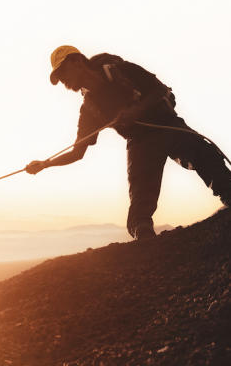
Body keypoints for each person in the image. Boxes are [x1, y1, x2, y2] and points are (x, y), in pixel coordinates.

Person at [26, 45, 231, 240]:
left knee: (207, 156)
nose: (62, 80)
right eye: (59, 77)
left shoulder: (122, 70)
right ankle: (148, 248)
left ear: (77, 61)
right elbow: (77, 152)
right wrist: (45, 164)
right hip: (140, 142)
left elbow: (160, 89)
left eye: (63, 72)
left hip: (166, 124)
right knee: (139, 216)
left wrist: (136, 111)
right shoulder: (89, 109)